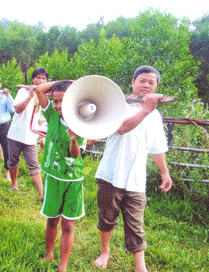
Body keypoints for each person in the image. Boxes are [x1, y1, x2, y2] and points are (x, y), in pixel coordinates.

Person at [93, 66, 172, 272]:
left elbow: (157, 147)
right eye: (142, 80)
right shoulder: (119, 106)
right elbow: (120, 128)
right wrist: (145, 109)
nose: (146, 85)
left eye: (151, 82)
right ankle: (105, 252)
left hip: (137, 179)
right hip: (111, 173)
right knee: (107, 217)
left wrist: (165, 172)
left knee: (136, 223)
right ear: (133, 82)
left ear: (156, 87)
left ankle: (140, 266)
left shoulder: (155, 116)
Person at [35, 80, 87, 272]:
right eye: (55, 101)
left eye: (62, 101)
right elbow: (39, 89)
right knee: (52, 219)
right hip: (53, 176)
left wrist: (73, 139)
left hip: (73, 179)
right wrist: (70, 83)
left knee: (68, 224)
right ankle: (49, 254)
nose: (57, 106)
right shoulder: (51, 115)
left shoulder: (81, 122)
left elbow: (75, 154)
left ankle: (62, 266)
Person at [6, 67, 48, 201]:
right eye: (38, 77)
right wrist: (30, 95)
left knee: (34, 165)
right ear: (33, 79)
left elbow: (42, 118)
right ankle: (14, 185)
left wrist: (42, 137)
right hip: (15, 134)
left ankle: (42, 195)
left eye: (43, 78)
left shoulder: (43, 95)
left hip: (30, 137)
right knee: (13, 162)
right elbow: (18, 109)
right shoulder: (22, 92)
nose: (40, 80)